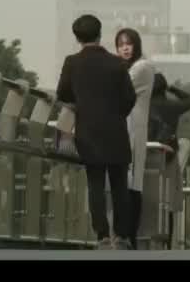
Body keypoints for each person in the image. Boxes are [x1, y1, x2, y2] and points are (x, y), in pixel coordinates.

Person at [55, 14, 137, 250]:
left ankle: (102, 236)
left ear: (77, 38)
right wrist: (117, 114)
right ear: (100, 35)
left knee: (95, 184)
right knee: (120, 186)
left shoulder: (72, 62)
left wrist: (83, 104)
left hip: (88, 132)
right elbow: (130, 97)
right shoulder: (117, 63)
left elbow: (63, 93)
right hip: (116, 131)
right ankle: (122, 236)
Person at [114, 28, 155, 250]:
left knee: (133, 184)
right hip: (122, 128)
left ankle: (129, 236)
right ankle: (123, 235)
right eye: (120, 45)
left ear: (136, 45)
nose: (125, 48)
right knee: (125, 183)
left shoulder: (142, 67)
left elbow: (117, 87)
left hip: (134, 130)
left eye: (128, 44)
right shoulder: (124, 68)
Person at [147, 72, 190, 248]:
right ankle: (167, 242)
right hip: (167, 156)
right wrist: (172, 88)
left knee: (146, 200)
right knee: (167, 201)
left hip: (145, 156)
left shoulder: (142, 105)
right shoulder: (172, 106)